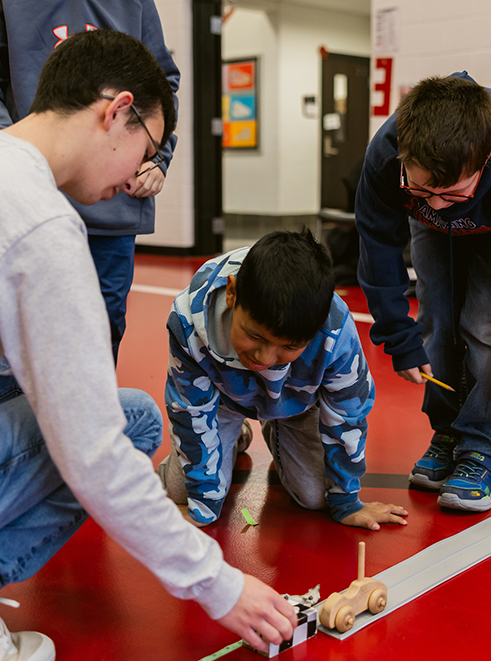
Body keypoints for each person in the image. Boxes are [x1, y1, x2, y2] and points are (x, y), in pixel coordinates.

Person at [0, 30, 296, 660]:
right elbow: (93, 454)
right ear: (115, 110)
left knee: (133, 411)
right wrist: (219, 586)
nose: (141, 171)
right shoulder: (43, 229)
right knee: (125, 427)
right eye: (147, 147)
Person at [355, 73, 491, 514]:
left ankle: (483, 446)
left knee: (487, 324)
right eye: (423, 189)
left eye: (451, 192)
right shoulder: (387, 159)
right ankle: (449, 431)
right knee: (435, 321)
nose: (437, 204)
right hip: (435, 215)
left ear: (487, 157)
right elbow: (377, 247)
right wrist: (398, 337)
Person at [158, 228, 408, 531]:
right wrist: (203, 505)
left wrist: (346, 501)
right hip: (221, 402)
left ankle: (275, 427)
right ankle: (235, 434)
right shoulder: (188, 319)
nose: (263, 359)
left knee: (317, 498)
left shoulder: (335, 329)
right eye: (254, 336)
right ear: (232, 293)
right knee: (180, 492)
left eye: (289, 346)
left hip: (297, 404)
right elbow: (190, 410)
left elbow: (347, 414)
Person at [0, 0, 181, 363]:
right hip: (31, 189)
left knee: (99, 335)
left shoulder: (136, 5)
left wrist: (157, 159)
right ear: (115, 110)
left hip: (108, 219)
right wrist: (22, 162)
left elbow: (160, 88)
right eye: (145, 148)